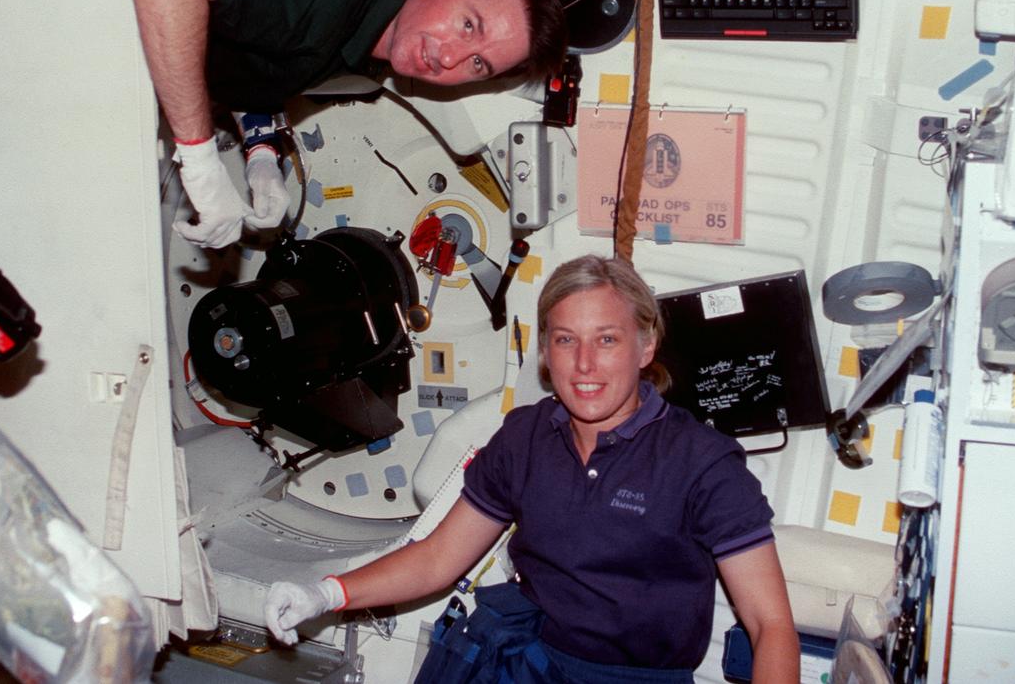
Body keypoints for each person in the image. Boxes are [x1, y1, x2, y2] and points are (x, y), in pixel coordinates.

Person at [263, 255, 800, 682]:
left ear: (646, 346)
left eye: (607, 339)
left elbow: (769, 624)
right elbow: (436, 559)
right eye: (566, 340)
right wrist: (327, 593)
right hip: (524, 660)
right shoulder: (525, 436)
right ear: (545, 351)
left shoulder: (703, 463)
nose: (584, 364)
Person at [128, 0, 567, 248]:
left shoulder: (373, 48)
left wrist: (261, 148)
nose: (449, 57)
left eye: (477, 65)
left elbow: (248, 43)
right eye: (469, 25)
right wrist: (201, 162)